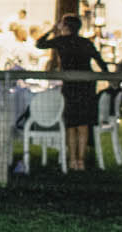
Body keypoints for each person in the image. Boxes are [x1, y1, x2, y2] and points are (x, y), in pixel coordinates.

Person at [36, 14, 111, 170]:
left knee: (71, 124)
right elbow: (100, 62)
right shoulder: (86, 43)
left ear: (65, 26)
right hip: (86, 85)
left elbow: (39, 44)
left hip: (70, 85)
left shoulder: (61, 41)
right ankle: (81, 160)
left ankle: (72, 160)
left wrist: (52, 29)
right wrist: (108, 77)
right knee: (83, 124)